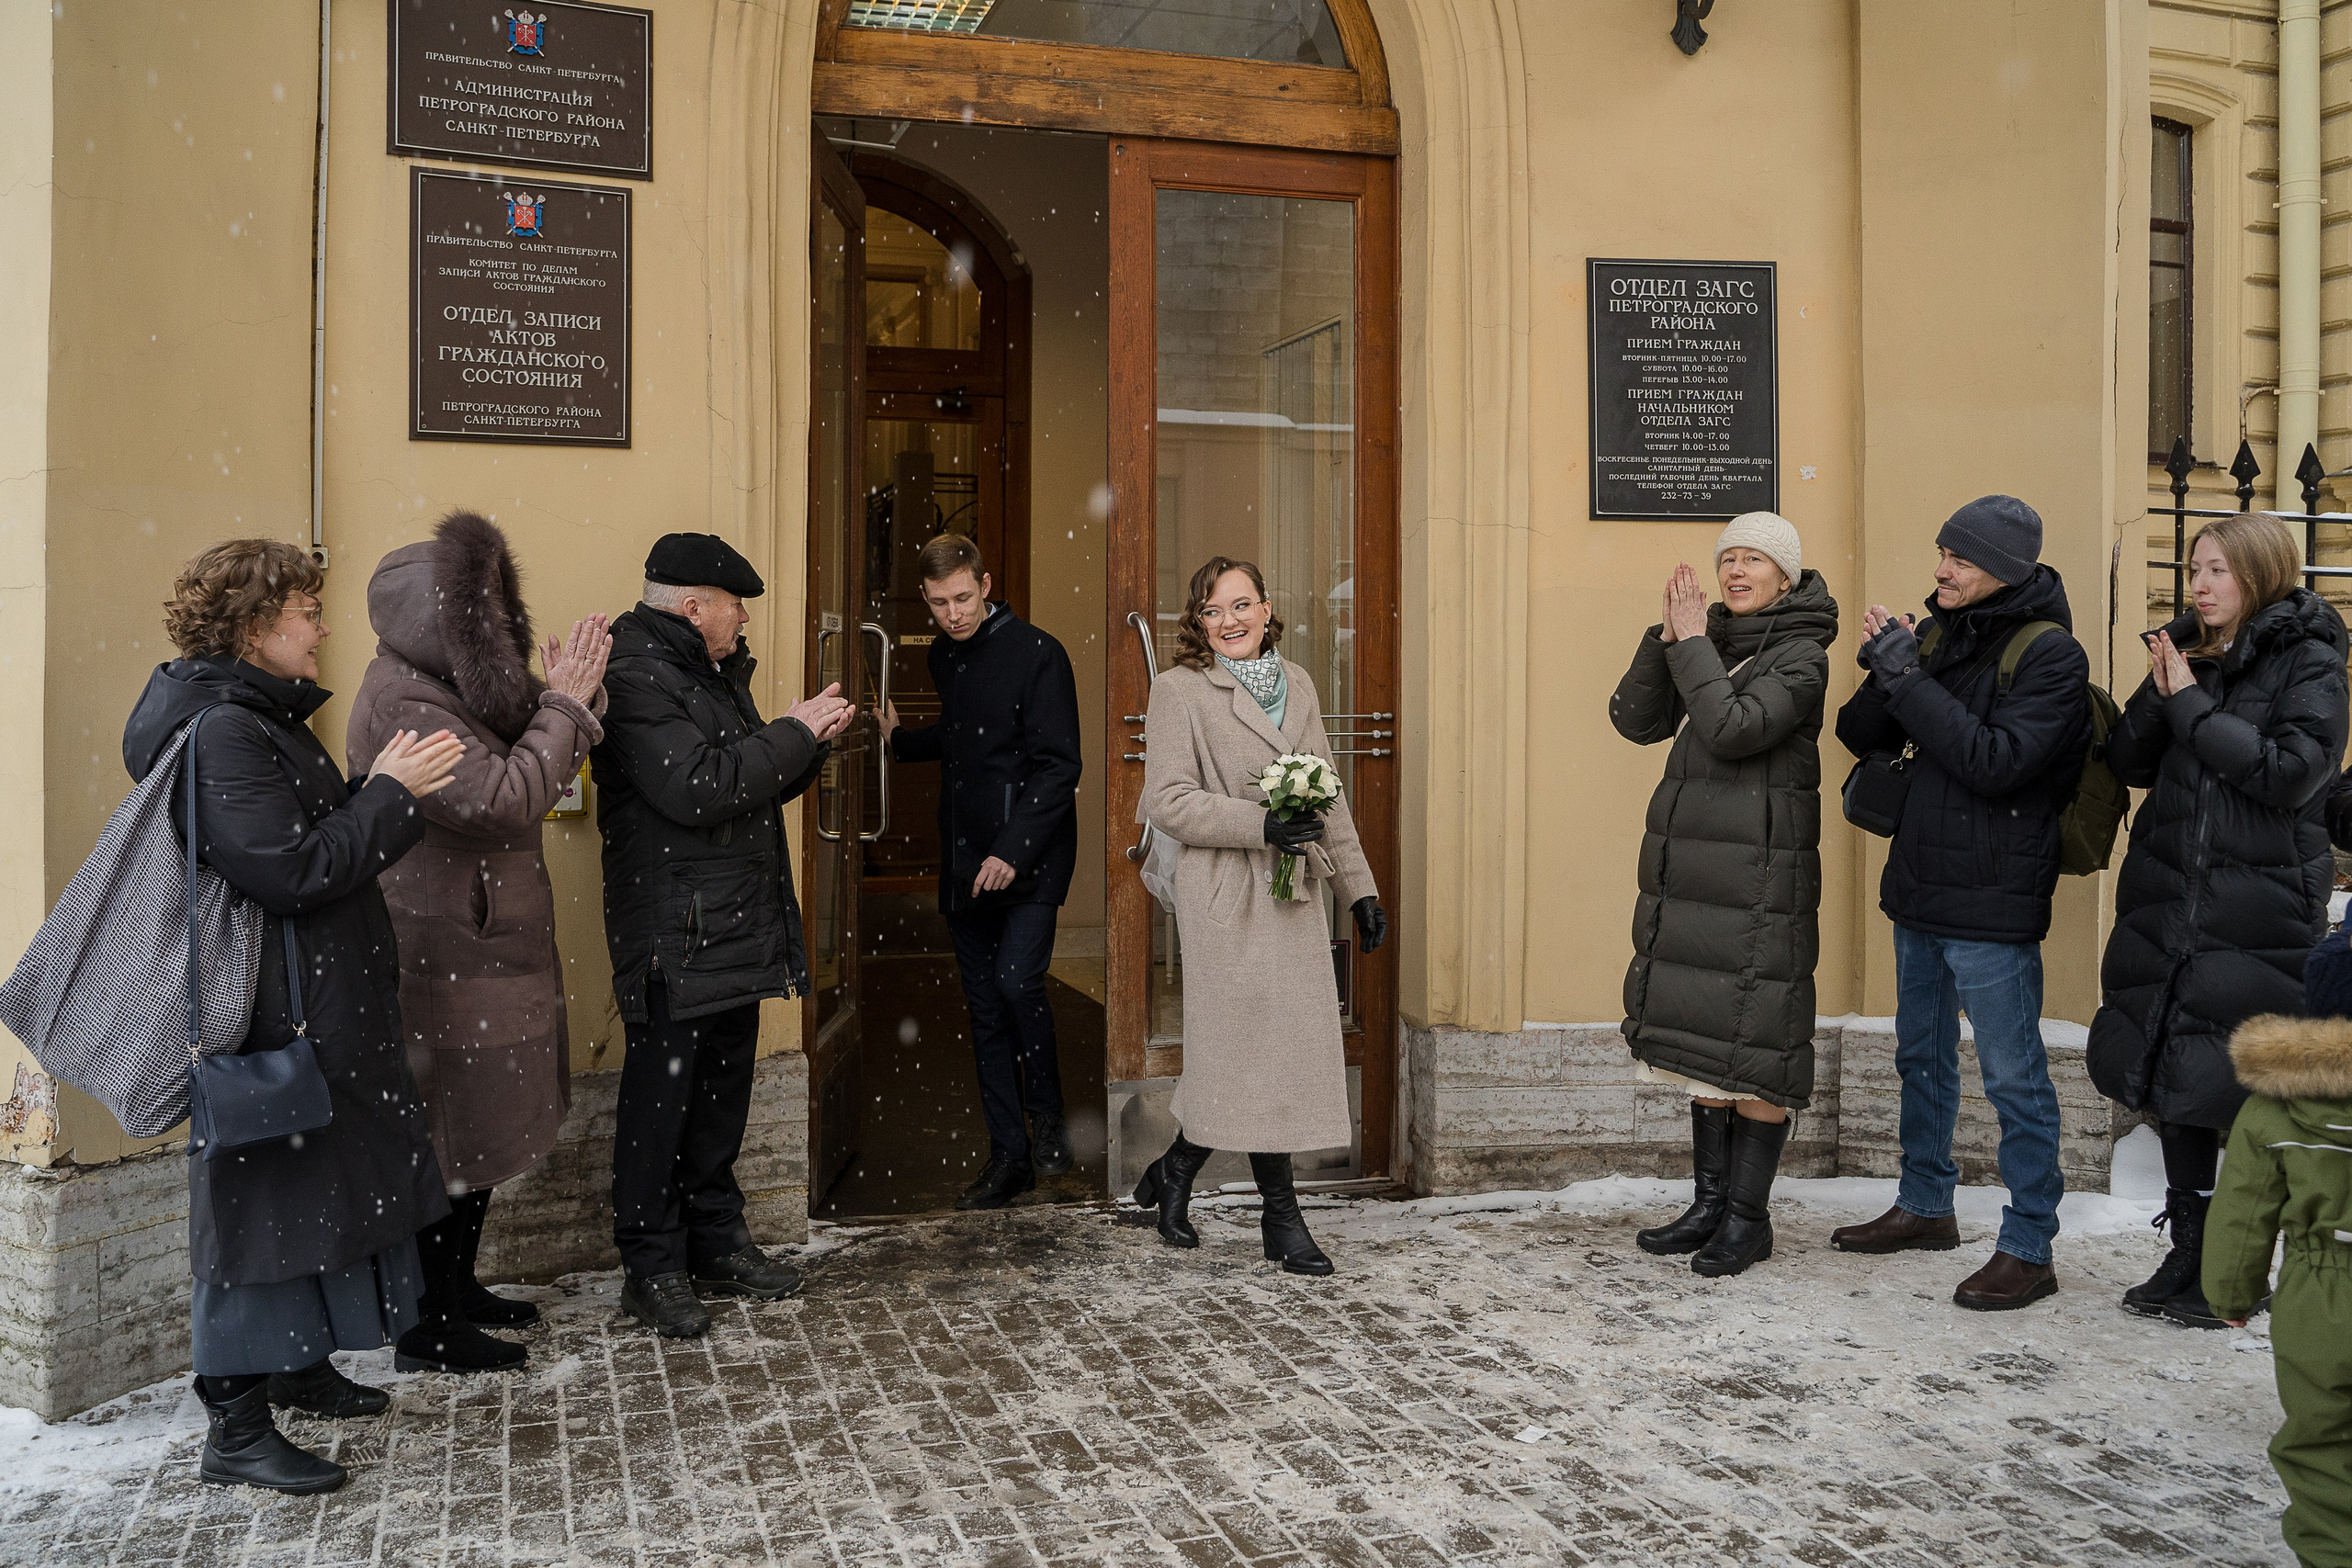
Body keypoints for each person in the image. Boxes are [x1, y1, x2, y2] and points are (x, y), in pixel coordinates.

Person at [127, 539, 463, 1493]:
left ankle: (295, 1364)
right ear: (252, 629)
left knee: (308, 1199)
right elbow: (290, 872)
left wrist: (375, 794)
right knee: (259, 1215)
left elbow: (302, 844)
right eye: (304, 613)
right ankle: (233, 1428)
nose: (321, 628)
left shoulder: (255, 717)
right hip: (277, 1028)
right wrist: (388, 795)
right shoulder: (228, 730)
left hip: (311, 1010)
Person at [346, 512, 614, 1373]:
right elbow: (503, 795)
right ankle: (427, 1320)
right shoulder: (401, 698)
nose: (500, 624)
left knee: (480, 1132)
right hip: (442, 958)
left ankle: (458, 1289)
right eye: (483, 611)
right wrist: (567, 704)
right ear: (445, 618)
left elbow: (531, 726)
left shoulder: (454, 683)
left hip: (482, 948)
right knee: (450, 1137)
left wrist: (572, 695)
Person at [2086, 513, 2348, 1330]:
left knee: (2227, 1085)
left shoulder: (2312, 660)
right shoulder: (2190, 654)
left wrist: (2191, 701)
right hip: (2173, 892)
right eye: (2194, 569)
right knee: (2176, 1073)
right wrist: (2164, 683)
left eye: (2217, 572)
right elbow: (2127, 761)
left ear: (2261, 575)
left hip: (2256, 899)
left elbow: (2291, 774)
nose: (2198, 585)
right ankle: (2191, 1245)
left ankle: (2236, 1267)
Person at [1831, 495, 2091, 1310]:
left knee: (2013, 1076)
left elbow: (1993, 760)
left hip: (1994, 897)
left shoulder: (2052, 656)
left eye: (1961, 558)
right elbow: (1857, 732)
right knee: (1921, 1058)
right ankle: (1925, 1202)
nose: (1942, 567)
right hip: (1921, 885)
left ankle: (2029, 1243)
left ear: (2005, 571)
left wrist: (1910, 677)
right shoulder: (1942, 631)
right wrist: (1887, 661)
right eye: (1942, 550)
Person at [594, 533, 856, 1338]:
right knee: (661, 1106)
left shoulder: (708, 670)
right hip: (676, 935)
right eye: (736, 605)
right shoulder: (635, 675)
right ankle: (652, 1266)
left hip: (729, 924)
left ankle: (716, 1241)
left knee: (718, 1100)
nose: (744, 619)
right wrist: (792, 731)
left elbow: (746, 773)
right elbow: (697, 787)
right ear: (694, 605)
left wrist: (809, 744)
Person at [1130, 557, 1388, 1275]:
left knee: (1269, 1053)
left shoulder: (1298, 682)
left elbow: (1325, 793)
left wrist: (1359, 890)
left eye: (1242, 606)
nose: (1231, 622)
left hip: (1295, 895)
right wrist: (1260, 823)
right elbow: (1169, 800)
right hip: (1226, 897)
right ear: (1199, 622)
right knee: (1246, 1051)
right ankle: (1283, 1218)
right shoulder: (1179, 690)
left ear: (1268, 608)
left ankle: (1176, 1170)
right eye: (1214, 612)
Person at [1610, 513, 1839, 1277]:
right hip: (1702, 876)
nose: (1737, 571)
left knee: (1761, 1046)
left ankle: (1748, 1218)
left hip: (1762, 876)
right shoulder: (1710, 641)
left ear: (1787, 575)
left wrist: (1694, 647)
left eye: (1754, 560)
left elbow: (1734, 725)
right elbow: (1636, 721)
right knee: (1710, 1038)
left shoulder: (1804, 656)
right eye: (1728, 558)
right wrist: (1666, 640)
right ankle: (1708, 1207)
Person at [878, 535, 1084, 1209]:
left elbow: (1059, 766)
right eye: (939, 603)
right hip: (967, 859)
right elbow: (964, 734)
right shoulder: (945, 655)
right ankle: (1009, 1157)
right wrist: (901, 739)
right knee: (985, 1011)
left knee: (1016, 980)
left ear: (986, 583)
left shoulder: (1039, 654)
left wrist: (1011, 851)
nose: (953, 613)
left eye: (963, 597)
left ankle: (1050, 1122)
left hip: (1030, 857)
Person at [2202, 942, 2352, 1568]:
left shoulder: (2275, 1108)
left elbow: (2241, 1210)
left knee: (2324, 1447)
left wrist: (2231, 1294)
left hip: (2325, 1299)